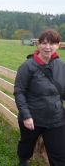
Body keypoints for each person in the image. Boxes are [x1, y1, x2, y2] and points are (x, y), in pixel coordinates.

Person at [14, 29, 65, 166]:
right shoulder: (27, 66)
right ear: (38, 45)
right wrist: (26, 116)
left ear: (58, 45)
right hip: (32, 118)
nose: (48, 47)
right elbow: (19, 92)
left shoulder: (61, 66)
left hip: (56, 119)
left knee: (59, 155)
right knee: (26, 145)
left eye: (52, 43)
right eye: (44, 43)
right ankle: (23, 160)